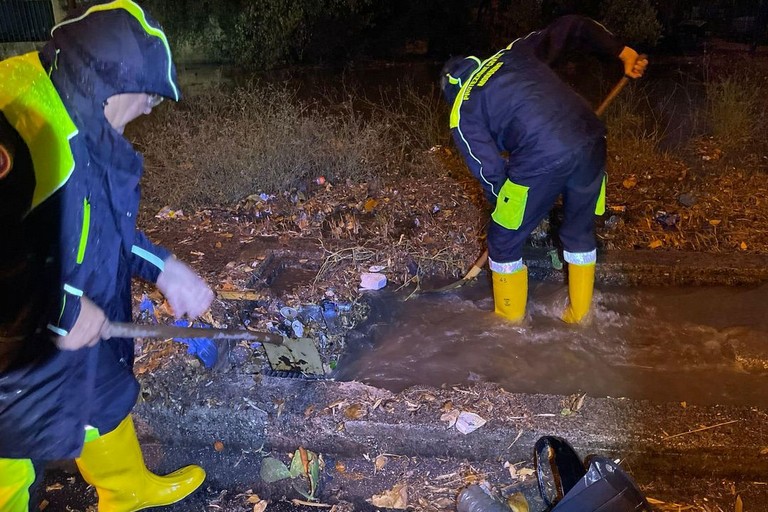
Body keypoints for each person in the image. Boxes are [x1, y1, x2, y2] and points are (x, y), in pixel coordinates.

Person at [0, 1, 214, 510]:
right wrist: (63, 311)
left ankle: (126, 488)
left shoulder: (78, 109)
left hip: (47, 319)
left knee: (98, 386)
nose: (147, 111)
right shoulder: (23, 122)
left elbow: (102, 230)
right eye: (146, 99)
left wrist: (163, 268)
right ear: (117, 82)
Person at [440, 15, 647, 324]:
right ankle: (579, 319)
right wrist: (623, 52)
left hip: (543, 152)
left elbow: (491, 175)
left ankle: (508, 329)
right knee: (578, 230)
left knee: (503, 239)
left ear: (451, 93)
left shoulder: (462, 109)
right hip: (591, 135)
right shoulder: (513, 52)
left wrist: (513, 214)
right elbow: (574, 25)